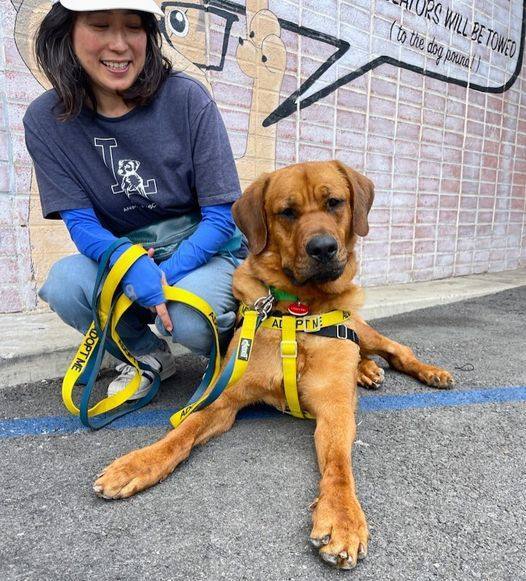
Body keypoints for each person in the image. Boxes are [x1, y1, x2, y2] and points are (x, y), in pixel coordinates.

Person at [23, 0, 244, 399]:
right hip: (127, 252)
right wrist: (129, 266)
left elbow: (220, 215)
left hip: (204, 248)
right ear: (67, 32)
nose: (120, 44)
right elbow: (82, 225)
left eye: (133, 27)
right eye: (101, 26)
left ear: (149, 35)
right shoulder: (45, 120)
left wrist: (166, 274)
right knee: (65, 284)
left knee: (191, 318)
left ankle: (232, 348)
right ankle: (147, 355)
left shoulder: (188, 98)